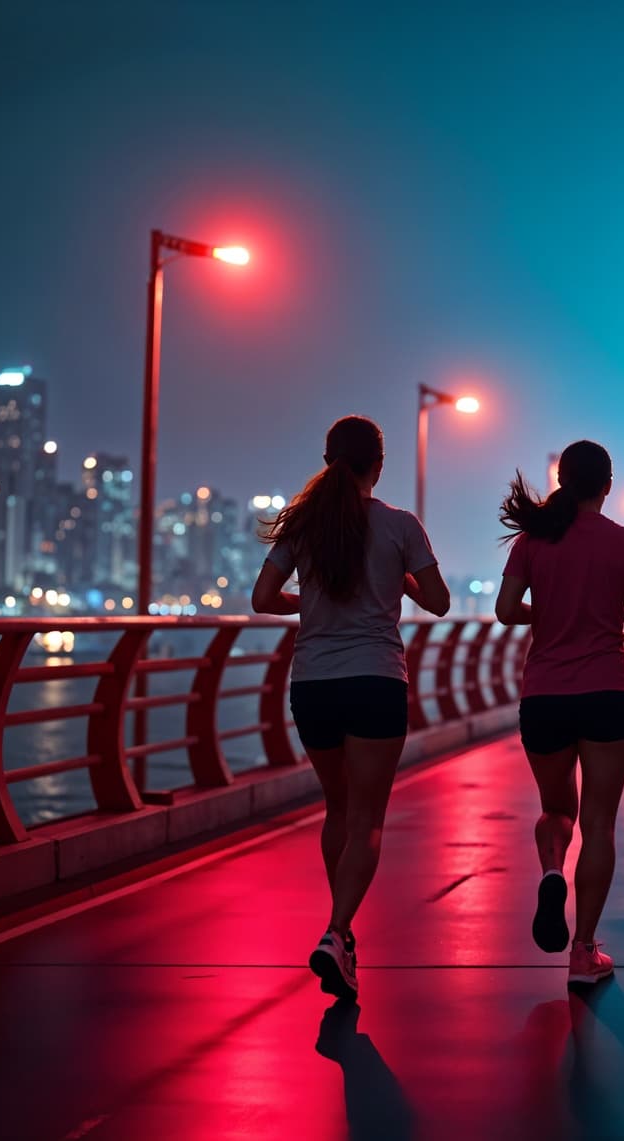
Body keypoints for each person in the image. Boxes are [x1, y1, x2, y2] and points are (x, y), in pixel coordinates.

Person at [252, 415, 450, 1001]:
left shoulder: (306, 526)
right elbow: (437, 602)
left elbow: (263, 600)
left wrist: (312, 602)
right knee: (367, 819)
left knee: (337, 810)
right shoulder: (399, 525)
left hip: (312, 684)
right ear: (379, 466)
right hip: (374, 682)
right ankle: (338, 932)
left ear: (328, 459)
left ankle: (341, 934)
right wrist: (401, 584)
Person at [493, 441, 624, 988]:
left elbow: (503, 611)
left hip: (544, 695)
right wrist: (608, 606)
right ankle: (584, 952)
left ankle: (550, 872)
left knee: (556, 809)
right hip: (607, 693)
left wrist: (549, 609)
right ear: (607, 486)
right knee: (599, 823)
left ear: (562, 481)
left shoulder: (530, 542)